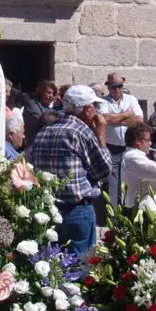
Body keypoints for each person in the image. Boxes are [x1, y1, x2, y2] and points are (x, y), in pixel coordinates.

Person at [24, 85, 112, 253]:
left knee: (53, 267)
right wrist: (101, 136)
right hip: (77, 210)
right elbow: (104, 171)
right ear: (87, 110)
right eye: (94, 106)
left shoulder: (44, 131)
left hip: (48, 211)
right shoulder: (81, 132)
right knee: (80, 267)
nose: (96, 110)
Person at [100, 73, 143, 209]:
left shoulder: (131, 99)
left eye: (120, 86)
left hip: (129, 147)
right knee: (113, 182)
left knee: (130, 180)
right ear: (109, 88)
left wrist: (117, 120)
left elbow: (139, 120)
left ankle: (129, 211)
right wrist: (125, 115)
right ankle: (113, 215)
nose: (117, 90)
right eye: (114, 87)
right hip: (111, 147)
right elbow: (105, 119)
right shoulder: (103, 101)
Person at [120, 120, 156, 212]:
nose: (151, 144)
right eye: (149, 140)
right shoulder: (132, 157)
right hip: (141, 209)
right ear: (138, 141)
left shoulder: (137, 155)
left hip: (150, 208)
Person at [22, 80, 57, 145]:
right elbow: (45, 120)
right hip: (34, 144)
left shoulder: (49, 107)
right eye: (48, 92)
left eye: (53, 93)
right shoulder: (31, 103)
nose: (51, 96)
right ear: (40, 92)